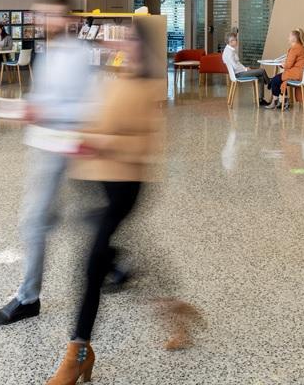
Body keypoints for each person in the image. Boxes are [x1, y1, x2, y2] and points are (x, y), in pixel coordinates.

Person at [45, 23, 200, 385]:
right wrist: (74, 136)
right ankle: (172, 307)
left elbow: (148, 147)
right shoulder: (113, 80)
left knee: (92, 264)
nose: (119, 45)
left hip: (125, 187)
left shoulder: (149, 88)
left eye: (128, 40)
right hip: (94, 181)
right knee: (118, 258)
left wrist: (102, 144)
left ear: (143, 48)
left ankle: (78, 352)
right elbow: (96, 124)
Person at [0, 0, 99, 327]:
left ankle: (27, 298)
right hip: (45, 144)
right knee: (74, 215)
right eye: (40, 14)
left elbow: (87, 106)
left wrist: (46, 112)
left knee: (34, 221)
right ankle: (115, 264)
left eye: (50, 14)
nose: (42, 19)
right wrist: (28, 107)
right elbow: (46, 98)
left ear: (65, 18)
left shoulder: (76, 55)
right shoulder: (50, 53)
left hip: (62, 146)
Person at [266, 28, 304, 110]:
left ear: (293, 38)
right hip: (302, 73)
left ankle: (275, 102)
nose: (288, 38)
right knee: (279, 80)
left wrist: (283, 64)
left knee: (275, 80)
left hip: (296, 74)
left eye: (289, 36)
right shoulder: (302, 48)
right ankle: (283, 101)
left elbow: (288, 65)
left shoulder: (294, 48)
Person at [222, 33, 270, 105]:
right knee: (262, 71)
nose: (237, 41)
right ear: (231, 41)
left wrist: (245, 68)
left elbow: (236, 64)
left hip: (239, 72)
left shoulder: (228, 50)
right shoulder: (229, 52)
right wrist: (245, 69)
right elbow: (235, 66)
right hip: (239, 74)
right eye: (236, 40)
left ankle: (260, 99)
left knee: (260, 77)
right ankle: (270, 85)